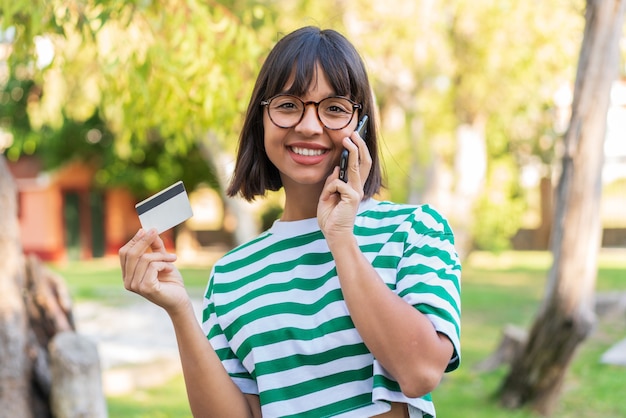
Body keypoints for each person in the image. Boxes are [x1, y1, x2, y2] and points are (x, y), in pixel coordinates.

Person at [119, 26, 461, 418]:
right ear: (260, 120)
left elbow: (420, 372)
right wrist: (180, 310)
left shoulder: (414, 230)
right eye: (288, 105)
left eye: (334, 108)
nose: (310, 126)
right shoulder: (231, 275)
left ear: (360, 126)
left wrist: (341, 238)